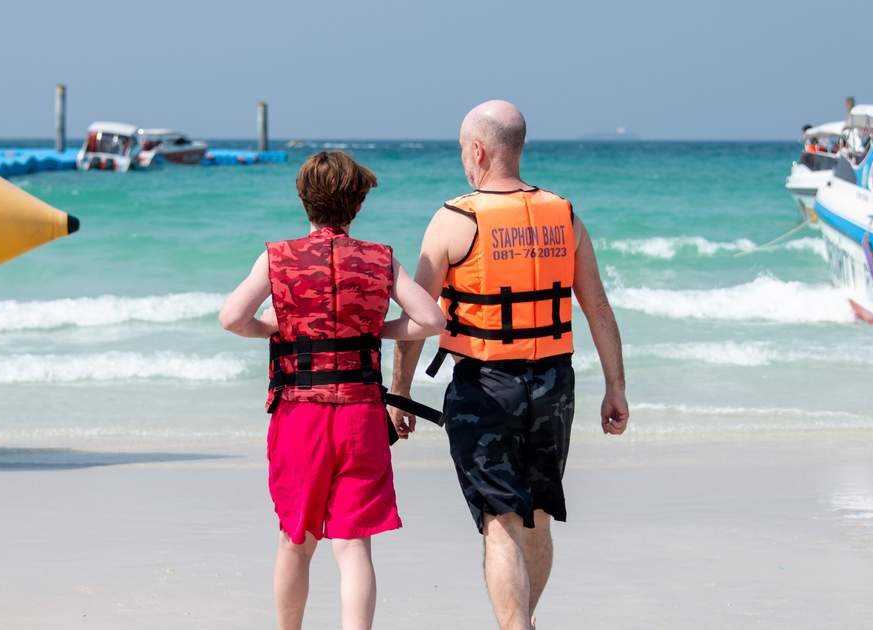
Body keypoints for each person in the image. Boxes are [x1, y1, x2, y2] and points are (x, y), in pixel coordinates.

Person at [387, 100, 630, 630]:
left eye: (461, 151)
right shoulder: (564, 214)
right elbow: (598, 307)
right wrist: (616, 387)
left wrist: (401, 396)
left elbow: (419, 318)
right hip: (553, 384)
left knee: (500, 524)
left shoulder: (456, 218)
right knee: (537, 515)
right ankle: (524, 623)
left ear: (477, 151)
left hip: (485, 386)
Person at [219, 151, 445, 630]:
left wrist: (274, 330)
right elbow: (430, 320)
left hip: (300, 416)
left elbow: (232, 318)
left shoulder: (278, 257)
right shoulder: (379, 258)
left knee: (295, 541)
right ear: (358, 205)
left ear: (304, 200)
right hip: (361, 415)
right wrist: (372, 332)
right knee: (353, 543)